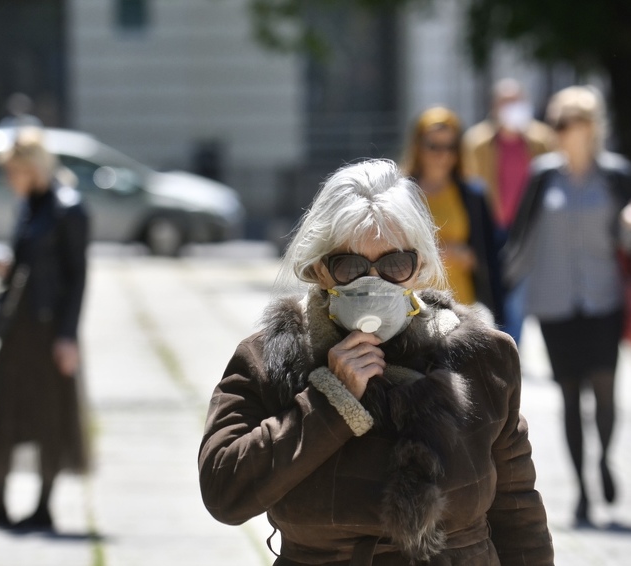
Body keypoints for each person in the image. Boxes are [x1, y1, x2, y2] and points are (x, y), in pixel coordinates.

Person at [199, 159, 554, 565]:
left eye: (394, 264)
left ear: (418, 268)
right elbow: (224, 491)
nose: (374, 281)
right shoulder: (271, 357)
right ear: (318, 269)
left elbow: (516, 507)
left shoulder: (481, 356)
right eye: (349, 266)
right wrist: (329, 402)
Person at [503, 86, 631, 525]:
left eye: (567, 122)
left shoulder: (616, 175)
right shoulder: (542, 175)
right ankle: (582, 491)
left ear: (590, 127)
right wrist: (496, 290)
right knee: (570, 396)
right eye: (555, 122)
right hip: (554, 303)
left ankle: (605, 458)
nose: (558, 131)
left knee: (605, 390)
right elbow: (522, 240)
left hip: (604, 299)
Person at [0, 129, 91, 530]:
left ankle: (42, 508)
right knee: (5, 408)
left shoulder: (69, 208)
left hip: (49, 327)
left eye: (12, 172)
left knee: (49, 415)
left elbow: (77, 278)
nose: (8, 180)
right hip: (17, 325)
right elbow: (28, 261)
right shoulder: (30, 205)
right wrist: (8, 266)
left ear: (31, 168)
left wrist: (68, 336)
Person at [463, 78, 555, 344]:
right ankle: (501, 343)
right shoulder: (477, 141)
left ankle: (511, 346)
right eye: (505, 102)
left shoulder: (540, 139)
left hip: (526, 230)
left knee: (518, 295)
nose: (511, 107)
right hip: (492, 228)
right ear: (494, 106)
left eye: (516, 101)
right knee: (494, 291)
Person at [402, 106, 504, 317]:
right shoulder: (399, 193)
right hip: (409, 307)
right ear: (417, 147)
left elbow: (489, 255)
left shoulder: (473, 194)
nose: (443, 154)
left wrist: (466, 255)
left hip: (460, 307)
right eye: (434, 146)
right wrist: (438, 253)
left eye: (451, 146)